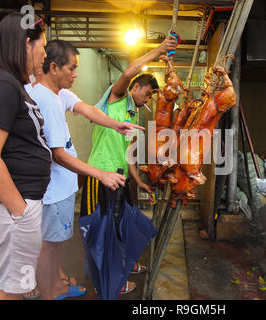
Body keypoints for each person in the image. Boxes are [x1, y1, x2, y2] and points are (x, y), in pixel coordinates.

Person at [24, 40, 144, 300]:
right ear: (54, 68)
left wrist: (116, 125)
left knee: (53, 243)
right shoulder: (46, 100)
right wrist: (100, 174)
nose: (76, 74)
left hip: (61, 188)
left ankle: (55, 281)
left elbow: (87, 110)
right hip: (54, 190)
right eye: (72, 68)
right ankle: (50, 290)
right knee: (49, 245)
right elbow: (59, 155)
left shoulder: (59, 93)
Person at [80, 35, 178, 294]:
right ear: (135, 87)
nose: (147, 100)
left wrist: (141, 183)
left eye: (149, 98)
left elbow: (129, 157)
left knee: (125, 223)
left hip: (121, 178)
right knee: (105, 231)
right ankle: (113, 280)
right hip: (100, 176)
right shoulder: (115, 98)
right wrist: (159, 50)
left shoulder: (133, 114)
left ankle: (127, 264)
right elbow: (128, 71)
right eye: (146, 93)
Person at [0, 13, 50, 300]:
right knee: (11, 293)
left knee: (8, 288)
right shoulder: (3, 86)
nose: (44, 56)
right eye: (42, 48)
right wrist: (20, 211)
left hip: (12, 212)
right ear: (25, 44)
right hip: (11, 213)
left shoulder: (9, 84)